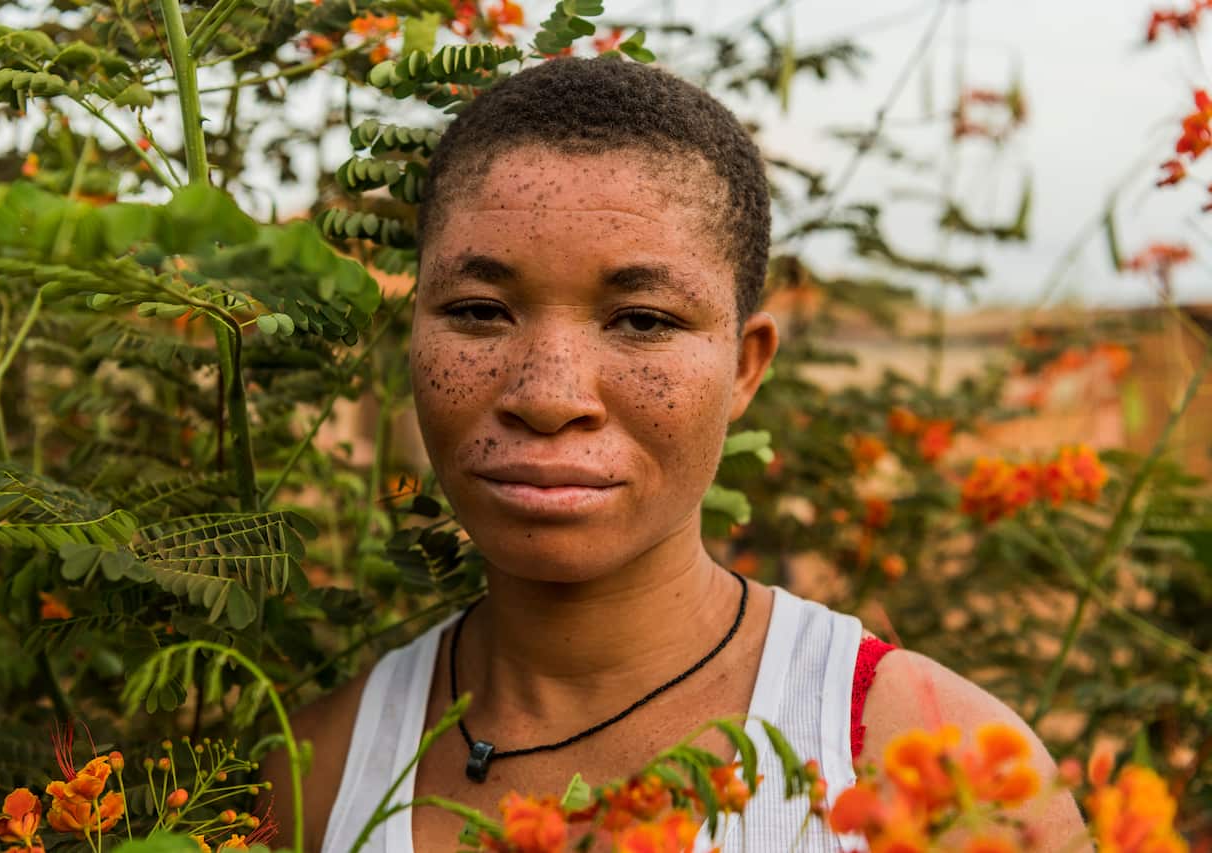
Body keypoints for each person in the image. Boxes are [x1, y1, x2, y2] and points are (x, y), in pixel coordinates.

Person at [260, 57, 1086, 851]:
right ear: (411, 336)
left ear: (745, 367)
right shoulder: (311, 779)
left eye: (643, 321)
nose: (548, 395)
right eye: (479, 310)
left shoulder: (936, 765)